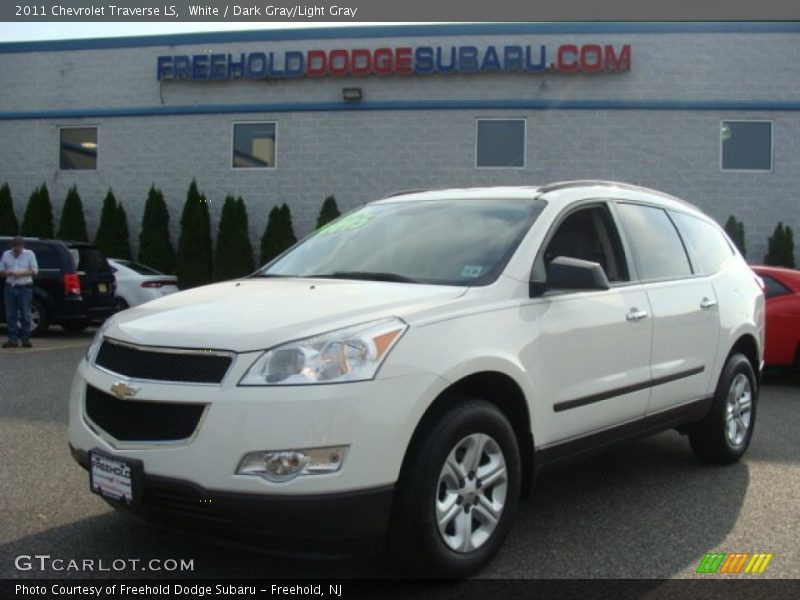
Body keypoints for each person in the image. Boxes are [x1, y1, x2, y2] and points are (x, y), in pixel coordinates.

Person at [1, 236, 39, 348]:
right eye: (15, 248)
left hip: (24, 287)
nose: (17, 251)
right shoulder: (6, 254)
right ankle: (13, 339)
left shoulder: (29, 254)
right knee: (10, 314)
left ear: (22, 246)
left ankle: (25, 339)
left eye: (19, 248)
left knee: (25, 314)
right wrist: (7, 272)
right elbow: (1, 270)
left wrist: (20, 273)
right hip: (10, 287)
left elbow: (34, 270)